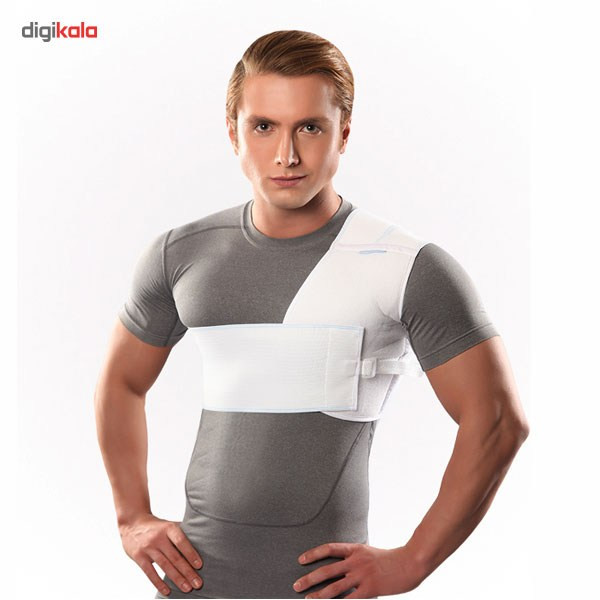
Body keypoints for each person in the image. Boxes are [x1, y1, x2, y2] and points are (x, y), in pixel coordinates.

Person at [94, 30, 529, 599]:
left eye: (310, 128)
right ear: (233, 132)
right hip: (194, 584)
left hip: (324, 589)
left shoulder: (407, 265)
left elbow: (497, 421)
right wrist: (132, 517)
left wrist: (413, 561)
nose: (287, 155)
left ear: (343, 132)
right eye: (263, 126)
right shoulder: (182, 253)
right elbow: (121, 382)